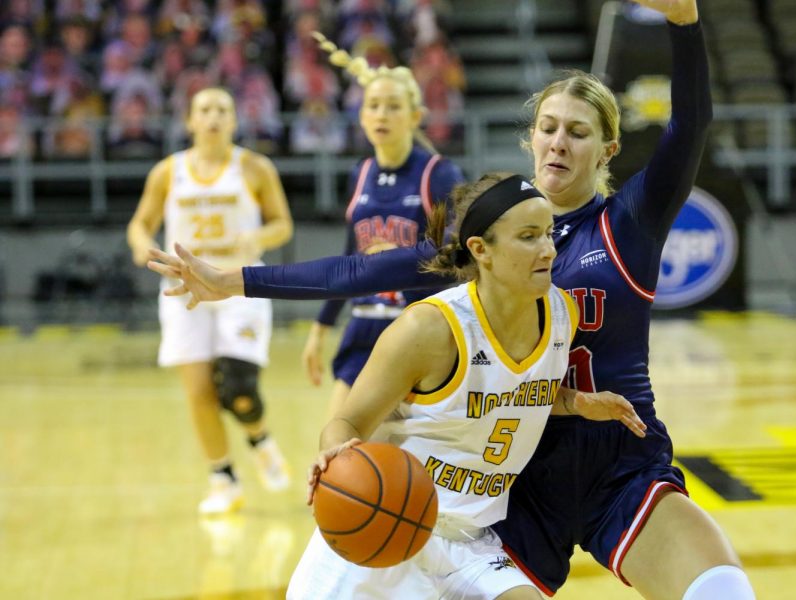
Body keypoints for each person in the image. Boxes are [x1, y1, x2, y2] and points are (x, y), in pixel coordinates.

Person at [147, 1, 757, 598]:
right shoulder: (492, 232)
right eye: (547, 128)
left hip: (618, 461)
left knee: (722, 589)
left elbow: (689, 127)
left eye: (578, 132)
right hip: (511, 476)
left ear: (608, 151)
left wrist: (683, 21)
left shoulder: (629, 223)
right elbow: (360, 269)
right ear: (529, 140)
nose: (558, 144)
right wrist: (235, 281)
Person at [294, 173, 644, 599]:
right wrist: (333, 452)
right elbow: (349, 420)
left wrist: (574, 401)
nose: (549, 250)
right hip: (382, 530)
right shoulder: (429, 329)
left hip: (471, 542)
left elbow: (515, 388)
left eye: (549, 233)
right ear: (481, 249)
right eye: (529, 237)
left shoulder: (561, 313)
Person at [127, 86, 294, 515]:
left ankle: (259, 437)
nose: (213, 116)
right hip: (184, 287)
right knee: (199, 389)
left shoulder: (255, 167)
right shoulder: (168, 171)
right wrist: (144, 246)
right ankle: (223, 478)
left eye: (223, 109)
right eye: (204, 109)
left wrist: (258, 236)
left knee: (239, 388)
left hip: (239, 283)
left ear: (235, 120)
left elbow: (282, 226)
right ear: (190, 121)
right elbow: (140, 224)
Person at [301, 32, 465, 419]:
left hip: (417, 329)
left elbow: (457, 258)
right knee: (334, 456)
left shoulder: (438, 175)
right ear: (361, 114)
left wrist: (401, 260)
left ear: (414, 116)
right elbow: (348, 259)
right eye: (374, 105)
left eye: (393, 106)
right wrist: (320, 328)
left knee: (404, 461)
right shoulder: (359, 173)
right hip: (363, 326)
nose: (381, 114)